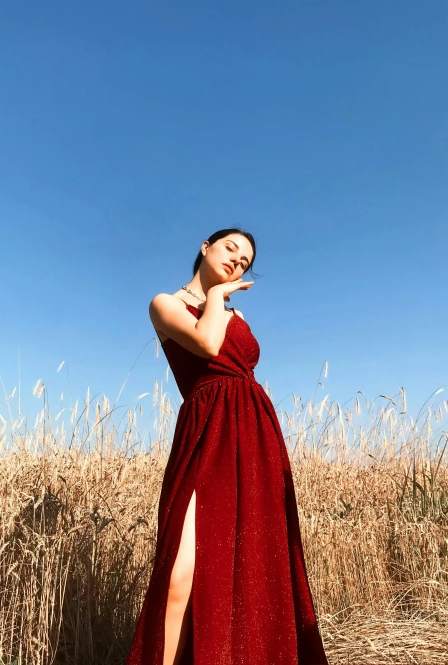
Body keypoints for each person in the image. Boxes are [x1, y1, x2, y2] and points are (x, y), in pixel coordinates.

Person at [126, 228, 329, 665]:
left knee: (252, 556)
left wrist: (220, 301)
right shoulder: (166, 303)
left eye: (246, 259)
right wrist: (217, 296)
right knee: (182, 570)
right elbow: (205, 343)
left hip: (254, 432)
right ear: (205, 247)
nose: (239, 260)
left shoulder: (237, 317)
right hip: (206, 431)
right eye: (231, 249)